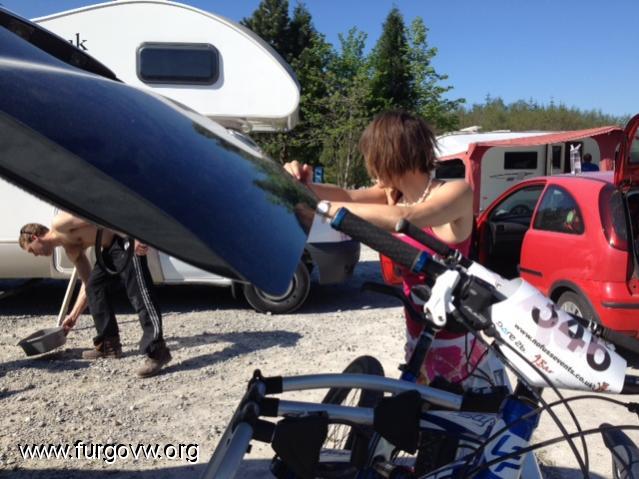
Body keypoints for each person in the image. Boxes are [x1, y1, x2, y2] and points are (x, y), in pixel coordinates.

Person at [284, 110, 487, 386]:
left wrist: (323, 210)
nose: (370, 166)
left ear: (389, 155)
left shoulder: (456, 192)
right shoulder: (394, 196)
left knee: (448, 413)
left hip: (454, 346)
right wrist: (297, 182)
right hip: (417, 337)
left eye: (371, 156)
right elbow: (346, 195)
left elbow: (408, 218)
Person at [19, 212, 171, 378]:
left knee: (139, 293)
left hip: (124, 237)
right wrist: (73, 316)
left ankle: (158, 351)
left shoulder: (60, 223)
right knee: (95, 286)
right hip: (110, 249)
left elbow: (101, 213)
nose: (35, 255)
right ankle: (108, 345)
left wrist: (131, 236)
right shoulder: (71, 250)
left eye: (32, 250)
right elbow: (87, 284)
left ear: (35, 237)